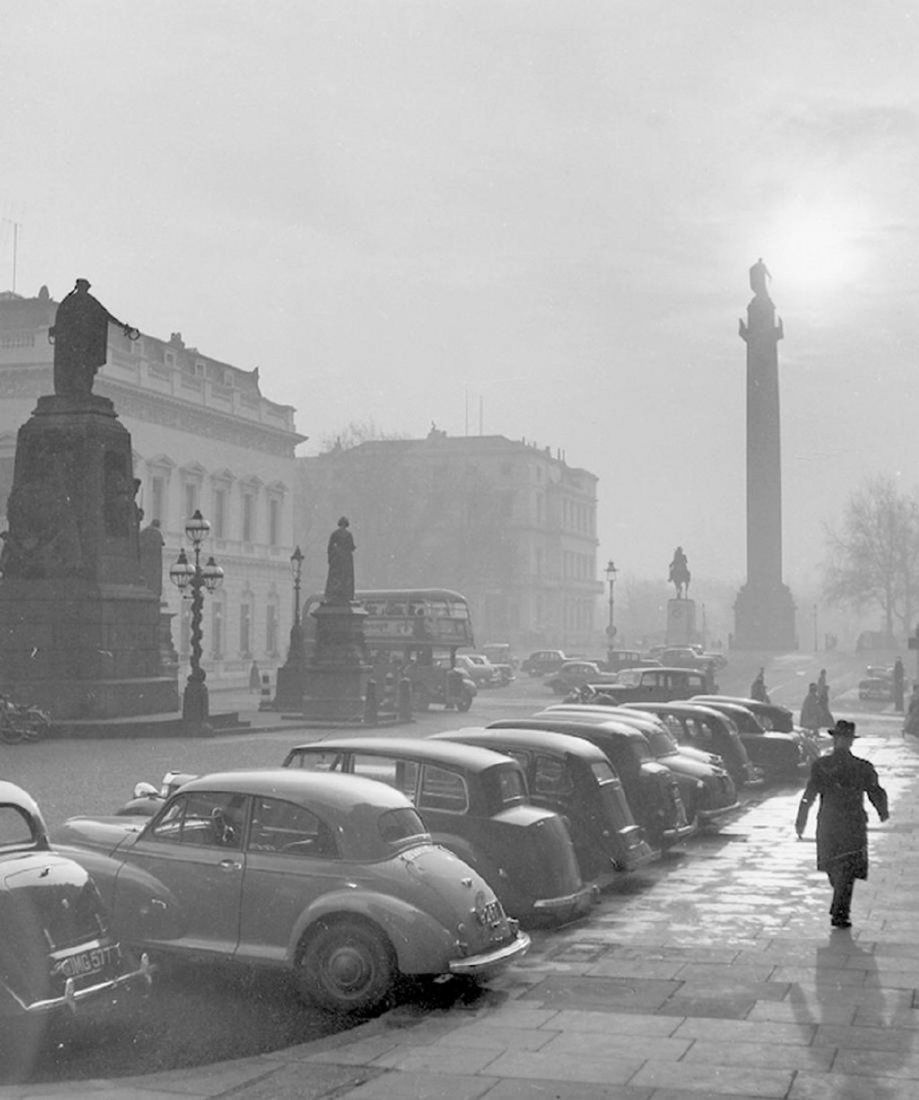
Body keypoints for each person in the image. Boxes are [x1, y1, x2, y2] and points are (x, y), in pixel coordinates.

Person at [795, 719, 888, 928]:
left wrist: (882, 809)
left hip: (841, 823)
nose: (843, 742)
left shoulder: (859, 767)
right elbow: (809, 793)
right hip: (839, 824)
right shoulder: (825, 766)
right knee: (839, 870)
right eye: (841, 738)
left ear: (849, 742)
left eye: (845, 739)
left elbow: (875, 791)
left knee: (843, 869)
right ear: (836, 740)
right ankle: (840, 904)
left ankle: (840, 912)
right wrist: (801, 818)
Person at [324, 516, 355, 603]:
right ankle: (346, 593)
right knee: (346, 578)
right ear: (346, 525)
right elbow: (351, 547)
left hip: (337, 560)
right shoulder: (349, 535)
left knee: (335, 577)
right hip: (346, 560)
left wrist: (331, 558)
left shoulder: (334, 534)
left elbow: (330, 547)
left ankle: (334, 593)